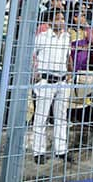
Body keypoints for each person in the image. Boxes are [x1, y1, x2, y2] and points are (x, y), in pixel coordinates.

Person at [30, 10, 73, 164]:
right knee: (41, 117)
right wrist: (35, 74)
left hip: (62, 81)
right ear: (50, 21)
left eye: (62, 18)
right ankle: (38, 151)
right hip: (46, 81)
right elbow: (30, 55)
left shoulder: (67, 37)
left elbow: (68, 56)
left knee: (61, 117)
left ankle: (61, 149)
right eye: (58, 18)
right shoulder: (42, 38)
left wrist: (70, 73)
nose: (61, 21)